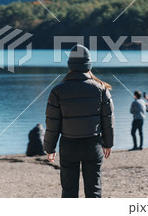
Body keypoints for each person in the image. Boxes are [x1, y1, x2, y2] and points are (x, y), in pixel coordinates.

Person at [44, 44, 114, 198]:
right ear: (89, 65)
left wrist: (49, 147)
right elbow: (107, 120)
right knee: (94, 191)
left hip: (69, 145)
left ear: (70, 65)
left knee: (69, 192)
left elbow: (52, 123)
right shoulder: (101, 89)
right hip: (93, 144)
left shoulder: (58, 90)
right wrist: (108, 143)